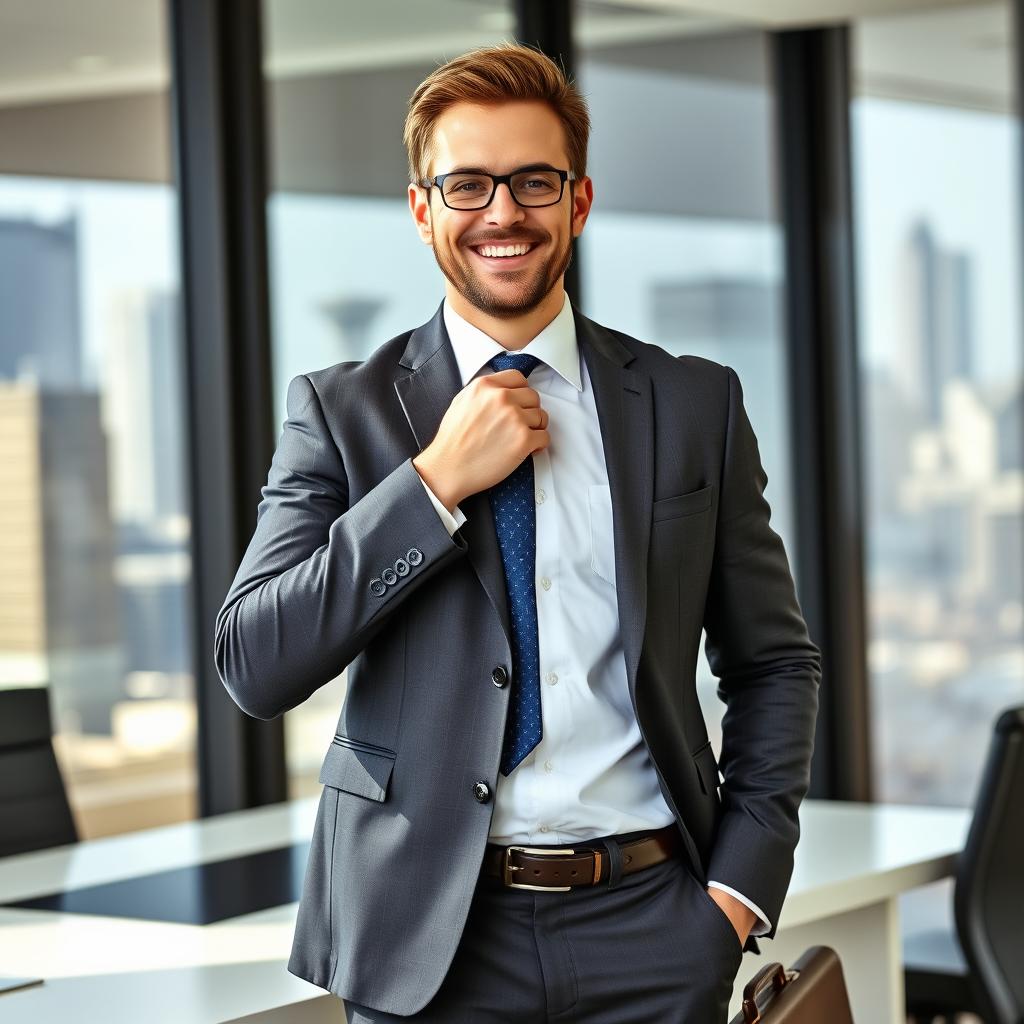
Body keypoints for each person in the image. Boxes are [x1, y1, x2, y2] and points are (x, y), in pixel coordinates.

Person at [214, 40, 821, 1023]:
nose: (502, 212)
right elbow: (255, 661)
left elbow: (774, 663)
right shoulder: (340, 413)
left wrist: (735, 893)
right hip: (429, 941)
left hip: (655, 925)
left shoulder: (690, 401)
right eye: (467, 185)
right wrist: (432, 483)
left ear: (577, 202)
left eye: (533, 182)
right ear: (422, 210)